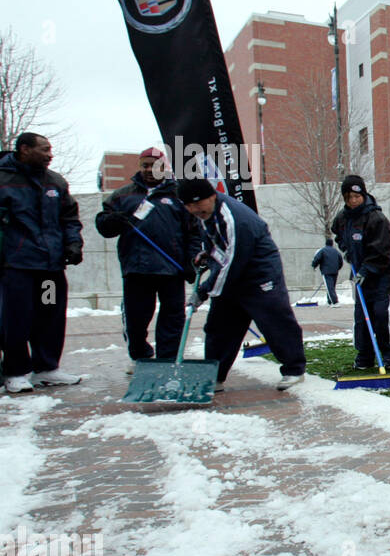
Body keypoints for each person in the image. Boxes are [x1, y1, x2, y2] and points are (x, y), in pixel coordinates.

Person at [176, 176, 306, 392]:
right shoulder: (205, 214)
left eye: (198, 203)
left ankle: (294, 369)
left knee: (275, 322)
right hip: (231, 274)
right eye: (189, 205)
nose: (194, 209)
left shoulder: (236, 219)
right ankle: (214, 376)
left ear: (211, 196)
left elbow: (233, 261)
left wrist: (204, 291)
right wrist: (206, 255)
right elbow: (218, 245)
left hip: (259, 276)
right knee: (220, 326)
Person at [95, 147, 201, 372]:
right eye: (145, 165)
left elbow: (194, 232)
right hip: (136, 269)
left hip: (172, 269)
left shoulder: (179, 196)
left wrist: (192, 261)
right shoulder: (122, 195)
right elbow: (103, 225)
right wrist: (114, 220)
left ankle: (168, 358)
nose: (150, 170)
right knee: (136, 318)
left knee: (173, 318)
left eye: (155, 165)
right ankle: (140, 355)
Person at [0, 133, 84, 393]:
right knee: (16, 318)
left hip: (49, 268)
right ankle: (14, 372)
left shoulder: (56, 182)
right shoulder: (4, 180)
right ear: (24, 149)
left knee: (49, 315)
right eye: (45, 149)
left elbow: (69, 218)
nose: (50, 154)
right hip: (17, 267)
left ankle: (47, 368)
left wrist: (73, 244)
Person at [330, 175, 390, 369]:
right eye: (349, 197)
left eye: (356, 196)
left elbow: (382, 251)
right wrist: (346, 249)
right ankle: (365, 354)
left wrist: (366, 270)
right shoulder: (343, 218)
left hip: (384, 278)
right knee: (362, 319)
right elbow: (337, 233)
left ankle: (389, 352)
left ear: (363, 194)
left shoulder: (376, 218)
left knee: (381, 316)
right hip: (362, 278)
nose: (353, 201)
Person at [311, 236, 344, 305]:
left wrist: (314, 266)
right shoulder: (336, 251)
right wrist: (337, 268)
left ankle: (335, 302)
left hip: (326, 272)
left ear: (326, 243)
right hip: (335, 271)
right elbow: (341, 261)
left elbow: (317, 259)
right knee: (332, 287)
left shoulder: (323, 250)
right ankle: (329, 301)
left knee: (329, 287)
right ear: (332, 244)